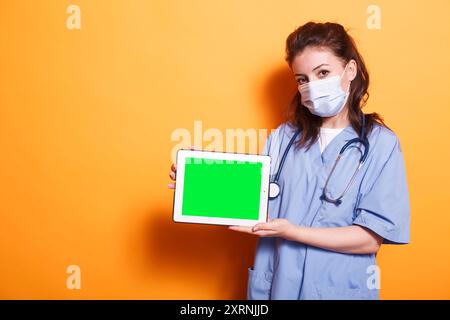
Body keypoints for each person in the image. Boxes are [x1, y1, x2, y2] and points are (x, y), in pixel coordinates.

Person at [168, 22, 410, 300]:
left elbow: (369, 238)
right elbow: (253, 205)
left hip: (337, 289)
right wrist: (202, 184)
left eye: (323, 73)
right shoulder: (283, 138)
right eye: (302, 79)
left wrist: (293, 232)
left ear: (350, 71)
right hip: (277, 284)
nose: (312, 86)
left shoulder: (380, 144)